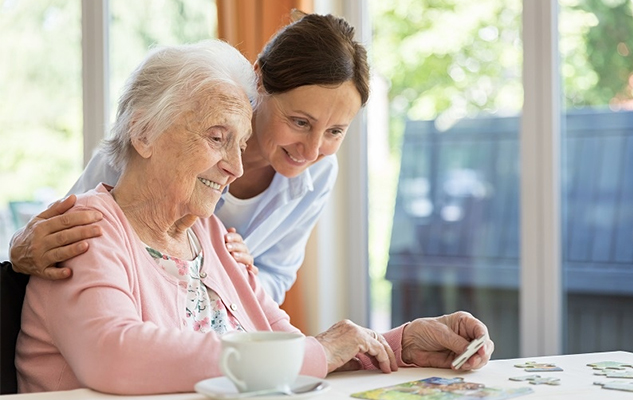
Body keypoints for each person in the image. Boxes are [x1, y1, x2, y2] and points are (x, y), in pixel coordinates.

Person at [16, 40, 494, 395]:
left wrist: (400, 344)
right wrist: (313, 352)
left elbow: (288, 350)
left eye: (240, 144)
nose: (237, 167)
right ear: (144, 133)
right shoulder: (83, 230)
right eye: (217, 137)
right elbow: (115, 355)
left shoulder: (213, 237)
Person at [9, 11, 369, 304]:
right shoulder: (167, 136)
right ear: (258, 78)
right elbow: (60, 230)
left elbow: (276, 274)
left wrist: (245, 277)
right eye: (300, 122)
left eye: (335, 131)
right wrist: (18, 252)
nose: (312, 149)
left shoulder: (319, 174)